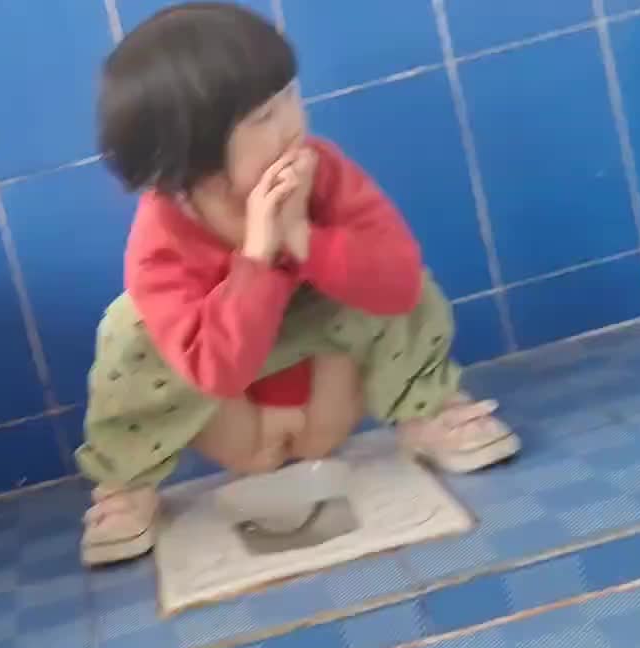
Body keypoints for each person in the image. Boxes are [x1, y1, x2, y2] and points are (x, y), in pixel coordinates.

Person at [76, 2, 519, 566]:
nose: (290, 122)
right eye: (263, 116)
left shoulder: (322, 171)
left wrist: (304, 238)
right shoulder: (162, 238)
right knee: (129, 328)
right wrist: (259, 255)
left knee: (386, 269)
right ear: (196, 156)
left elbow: (400, 285)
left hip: (327, 393)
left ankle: (428, 410)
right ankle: (126, 483)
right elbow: (215, 369)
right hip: (233, 414)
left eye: (289, 96)